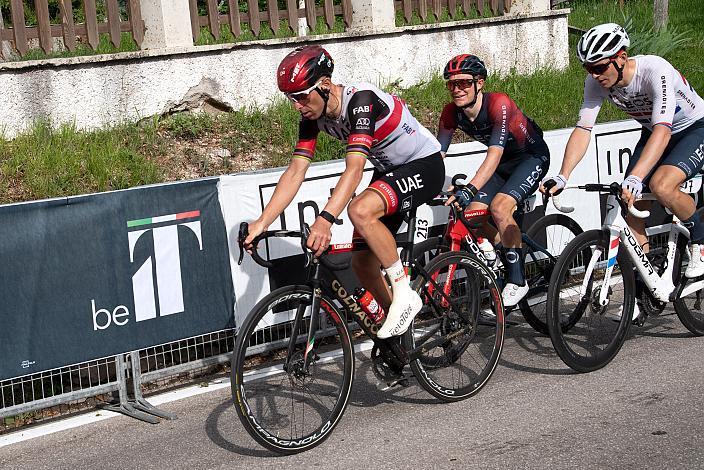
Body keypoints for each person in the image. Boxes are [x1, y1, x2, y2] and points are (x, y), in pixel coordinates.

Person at [243, 45, 445, 338]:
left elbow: (354, 169)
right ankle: (403, 330)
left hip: (425, 165)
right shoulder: (313, 116)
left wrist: (325, 219)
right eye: (291, 98)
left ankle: (404, 293)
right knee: (362, 263)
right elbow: (295, 171)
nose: (297, 105)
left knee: (360, 210)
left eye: (301, 96)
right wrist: (261, 223)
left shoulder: (361, 101)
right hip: (390, 170)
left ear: (324, 85)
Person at [540, 23, 704, 316]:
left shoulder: (655, 70)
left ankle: (701, 241)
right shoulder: (596, 81)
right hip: (653, 131)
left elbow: (663, 132)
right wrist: (563, 175)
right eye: (588, 68)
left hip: (692, 129)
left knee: (662, 186)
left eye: (600, 67)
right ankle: (647, 285)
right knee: (629, 204)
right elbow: (582, 129)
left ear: (621, 57)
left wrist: (636, 176)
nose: (594, 75)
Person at [438, 54, 551, 307]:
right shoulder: (451, 113)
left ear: (480, 83)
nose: (457, 89)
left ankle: (518, 280)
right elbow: (438, 154)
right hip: (502, 165)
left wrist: (471, 187)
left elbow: (494, 153)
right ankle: (506, 248)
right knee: (470, 218)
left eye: (464, 83)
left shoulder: (498, 103)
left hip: (530, 157)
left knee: (500, 207)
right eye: (451, 84)